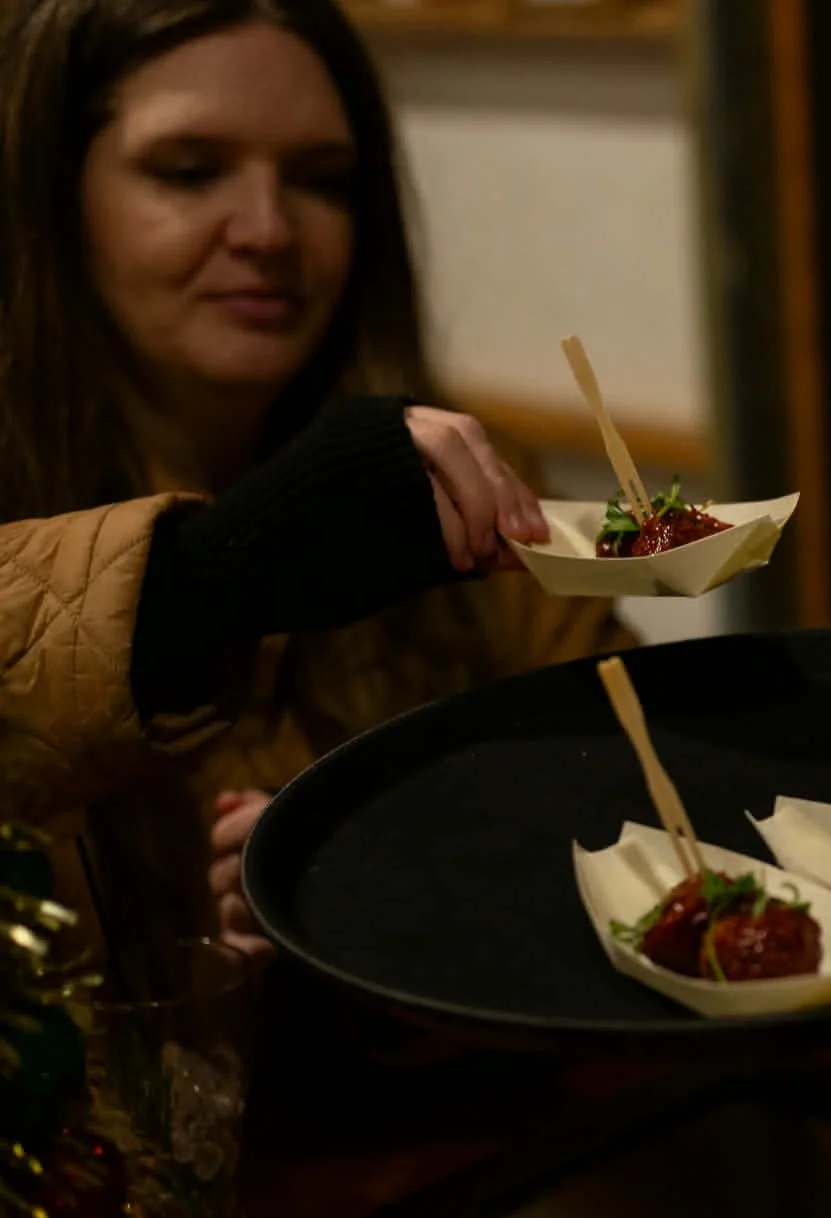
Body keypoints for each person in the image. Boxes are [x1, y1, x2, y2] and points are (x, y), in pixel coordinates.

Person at [0, 0, 636, 977]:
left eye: (323, 183)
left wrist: (467, 884)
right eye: (188, 171)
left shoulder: (463, 472)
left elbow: (627, 788)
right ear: (51, 191)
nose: (268, 231)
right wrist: (219, 569)